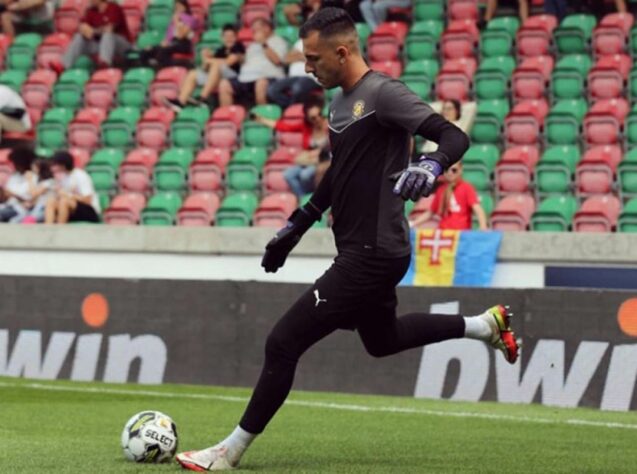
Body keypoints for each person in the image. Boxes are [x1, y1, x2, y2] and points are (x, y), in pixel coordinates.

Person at [175, 8, 519, 471]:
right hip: (366, 249)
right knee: (383, 339)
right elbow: (340, 172)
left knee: (282, 343)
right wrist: (297, 225)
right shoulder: (339, 102)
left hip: (372, 254)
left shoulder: (383, 94)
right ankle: (484, 325)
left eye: (314, 58)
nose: (306, 68)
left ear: (342, 51)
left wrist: (430, 164)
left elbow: (452, 136)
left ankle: (228, 452)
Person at [253, 95, 328, 196]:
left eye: (320, 114)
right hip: (310, 159)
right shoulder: (306, 127)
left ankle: (314, 197)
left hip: (325, 158)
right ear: (309, 119)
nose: (318, 119)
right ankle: (303, 198)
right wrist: (261, 120)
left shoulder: (328, 125)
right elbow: (283, 127)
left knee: (305, 175)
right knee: (288, 174)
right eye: (313, 118)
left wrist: (319, 151)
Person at [164, 24, 245, 111]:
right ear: (222, 38)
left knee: (217, 65)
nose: (229, 39)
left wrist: (209, 60)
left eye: (231, 36)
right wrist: (205, 58)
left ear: (236, 37)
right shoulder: (221, 50)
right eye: (226, 36)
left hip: (234, 78)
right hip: (218, 78)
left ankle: (203, 98)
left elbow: (229, 62)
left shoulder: (238, 47)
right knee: (193, 74)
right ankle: (180, 102)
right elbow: (205, 68)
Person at [217, 18, 288, 107]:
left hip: (267, 77)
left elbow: (277, 61)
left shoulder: (279, 41)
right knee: (224, 84)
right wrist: (240, 58)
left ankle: (262, 116)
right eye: (253, 30)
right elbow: (245, 62)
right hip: (245, 78)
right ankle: (227, 116)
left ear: (267, 28)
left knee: (261, 83)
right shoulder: (253, 45)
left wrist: (263, 44)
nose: (254, 32)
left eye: (256, 30)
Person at [52, 0, 131, 72]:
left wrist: (93, 31)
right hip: (100, 44)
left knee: (107, 36)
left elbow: (109, 29)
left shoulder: (113, 8)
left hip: (121, 45)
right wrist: (86, 30)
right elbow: (83, 28)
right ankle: (63, 66)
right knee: (79, 37)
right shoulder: (91, 11)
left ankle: (105, 64)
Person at [409, 162, 488, 230]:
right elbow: (431, 212)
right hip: (444, 232)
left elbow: (477, 209)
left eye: (454, 170)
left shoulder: (466, 187)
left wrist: (483, 226)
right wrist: (413, 223)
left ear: (460, 170)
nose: (450, 173)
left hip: (460, 233)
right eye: (447, 170)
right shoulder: (441, 189)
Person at [44, 151, 100, 224]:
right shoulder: (61, 177)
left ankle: (59, 230)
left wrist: (68, 195)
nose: (51, 168)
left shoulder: (80, 175)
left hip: (89, 211)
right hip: (71, 211)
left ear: (63, 165)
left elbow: (87, 200)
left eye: (54, 165)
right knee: (50, 201)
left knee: (64, 201)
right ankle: (48, 230)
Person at [139, 0, 198, 68]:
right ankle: (149, 71)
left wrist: (176, 21)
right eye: (176, 7)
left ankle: (183, 64)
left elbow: (181, 35)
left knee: (163, 51)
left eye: (179, 6)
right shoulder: (173, 20)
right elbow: (169, 37)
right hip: (172, 42)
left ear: (185, 7)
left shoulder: (190, 19)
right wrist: (163, 43)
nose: (177, 9)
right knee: (146, 51)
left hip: (183, 44)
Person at [267, 37, 321, 108]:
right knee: (272, 89)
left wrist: (299, 56)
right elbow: (286, 59)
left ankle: (292, 109)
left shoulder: (320, 42)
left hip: (309, 77)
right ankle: (290, 108)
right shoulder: (300, 42)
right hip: (292, 77)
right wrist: (303, 57)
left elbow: (318, 60)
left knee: (297, 88)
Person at [0, 147, 36, 222]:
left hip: (21, 209)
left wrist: (13, 195)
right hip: (7, 206)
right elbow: (5, 197)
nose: (14, 165)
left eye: (16, 162)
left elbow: (31, 199)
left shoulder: (32, 176)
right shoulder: (14, 176)